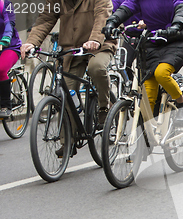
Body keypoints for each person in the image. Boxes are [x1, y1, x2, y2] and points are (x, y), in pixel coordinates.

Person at [21, 0, 116, 133]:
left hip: (99, 45)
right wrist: (31, 42)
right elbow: (46, 18)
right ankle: (67, 141)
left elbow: (102, 16)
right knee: (66, 92)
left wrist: (95, 39)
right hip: (73, 49)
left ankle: (104, 107)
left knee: (96, 67)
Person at [103, 0, 183, 125]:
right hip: (152, 41)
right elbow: (126, 8)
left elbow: (182, 8)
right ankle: (147, 135)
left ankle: (181, 103)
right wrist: (112, 22)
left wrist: (177, 25)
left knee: (161, 73)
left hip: (176, 40)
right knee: (147, 94)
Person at [0, 0, 22, 118]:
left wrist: (6, 38)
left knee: (1, 69)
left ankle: (5, 105)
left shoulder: (5, 4)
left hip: (9, 46)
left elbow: (9, 23)